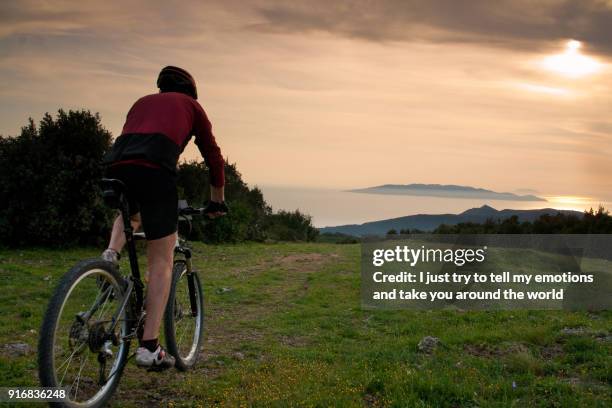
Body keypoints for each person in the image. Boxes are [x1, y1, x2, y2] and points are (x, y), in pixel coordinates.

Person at [101, 66, 227, 369]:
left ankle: (109, 255)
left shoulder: (141, 102)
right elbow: (214, 159)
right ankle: (148, 346)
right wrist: (216, 203)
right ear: (191, 90)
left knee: (131, 214)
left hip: (116, 166)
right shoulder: (193, 107)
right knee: (162, 260)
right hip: (156, 170)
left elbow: (133, 145)